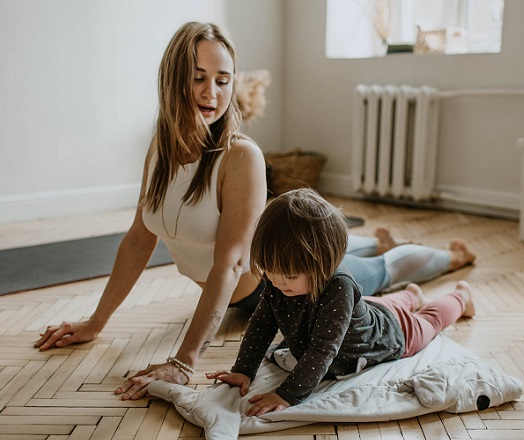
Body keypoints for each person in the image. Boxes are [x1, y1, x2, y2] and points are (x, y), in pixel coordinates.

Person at [33, 21, 475, 401]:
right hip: (273, 277)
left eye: (223, 80)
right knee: (365, 262)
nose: (212, 92)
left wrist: (184, 362)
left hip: (291, 284)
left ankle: (449, 260)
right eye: (198, 77)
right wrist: (96, 321)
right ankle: (385, 259)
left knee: (379, 270)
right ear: (172, 79)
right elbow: (137, 239)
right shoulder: (160, 150)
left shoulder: (239, 156)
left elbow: (230, 263)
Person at [206, 188, 476, 416]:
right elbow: (262, 323)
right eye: (270, 272)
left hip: (390, 333)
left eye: (288, 275)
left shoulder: (339, 287)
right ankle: (411, 295)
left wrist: (287, 394)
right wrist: (243, 370)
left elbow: (323, 350)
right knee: (382, 306)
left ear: (323, 263)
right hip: (367, 311)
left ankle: (461, 297)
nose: (277, 283)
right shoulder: (280, 281)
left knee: (429, 320)